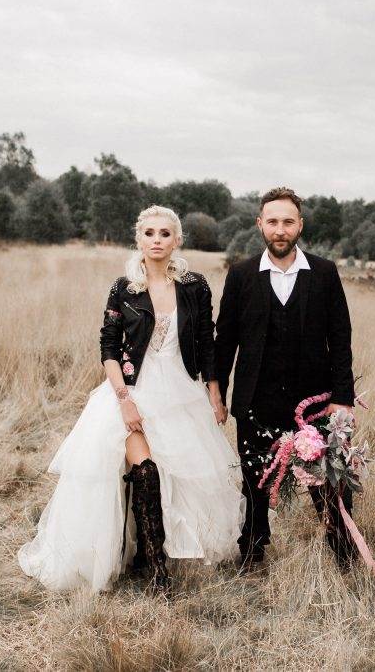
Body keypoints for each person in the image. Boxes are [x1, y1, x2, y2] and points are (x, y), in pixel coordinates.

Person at [18, 205, 244, 595]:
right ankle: (156, 569)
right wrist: (123, 399)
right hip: (132, 388)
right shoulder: (124, 287)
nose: (157, 241)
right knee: (146, 470)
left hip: (180, 389)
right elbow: (108, 347)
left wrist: (214, 392)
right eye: (150, 233)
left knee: (183, 471)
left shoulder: (196, 286)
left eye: (165, 234)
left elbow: (207, 341)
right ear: (139, 239)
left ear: (177, 241)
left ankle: (150, 557)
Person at [211, 186, 356, 570]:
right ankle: (254, 551)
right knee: (255, 481)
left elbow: (340, 336)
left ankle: (343, 552)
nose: (280, 230)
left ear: (300, 225)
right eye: (272, 221)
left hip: (315, 401)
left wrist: (343, 397)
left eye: (287, 222)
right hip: (255, 399)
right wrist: (217, 392)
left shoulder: (324, 273)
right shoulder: (241, 274)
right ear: (260, 224)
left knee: (329, 481)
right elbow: (224, 340)